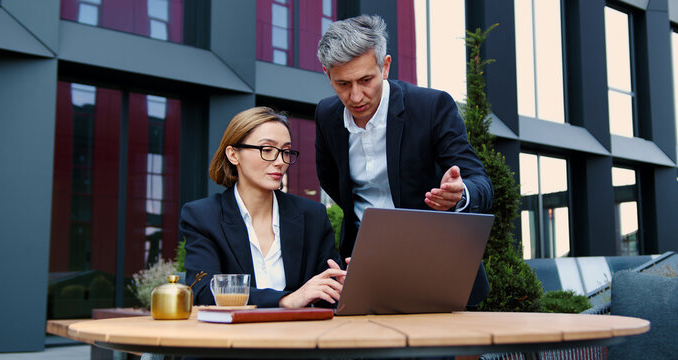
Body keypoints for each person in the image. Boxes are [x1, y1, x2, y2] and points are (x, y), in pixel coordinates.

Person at [315, 15, 493, 305]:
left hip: (437, 267)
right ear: (327, 74)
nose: (356, 96)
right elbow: (331, 180)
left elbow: (481, 183)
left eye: (365, 80)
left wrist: (459, 196)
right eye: (343, 84)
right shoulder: (326, 114)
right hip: (364, 266)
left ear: (384, 66)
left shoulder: (431, 106)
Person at [181, 107, 345, 308]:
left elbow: (326, 295)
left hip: (300, 336)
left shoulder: (312, 215)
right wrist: (286, 300)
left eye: (286, 151)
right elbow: (204, 291)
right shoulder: (203, 216)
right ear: (234, 155)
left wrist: (343, 287)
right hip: (234, 336)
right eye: (267, 150)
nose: (280, 162)